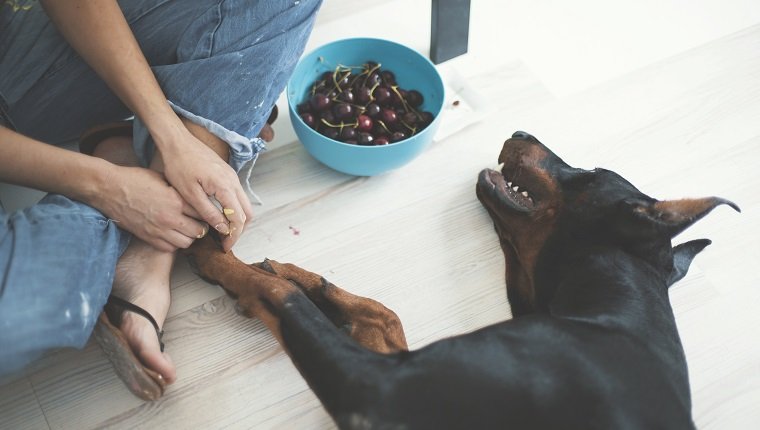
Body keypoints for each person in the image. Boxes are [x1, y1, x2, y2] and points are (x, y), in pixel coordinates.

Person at [0, 0, 322, 396]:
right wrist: (109, 186)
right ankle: (121, 162)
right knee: (13, 318)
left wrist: (170, 134)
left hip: (18, 53)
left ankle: (150, 253)